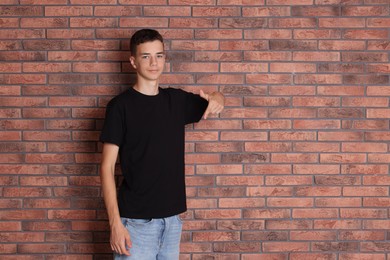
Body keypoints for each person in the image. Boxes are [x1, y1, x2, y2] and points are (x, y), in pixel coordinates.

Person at [99, 28, 225, 259]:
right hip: (135, 225)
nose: (154, 62)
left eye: (159, 55)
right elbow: (106, 168)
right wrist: (115, 225)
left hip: (172, 223)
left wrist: (217, 98)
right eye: (146, 56)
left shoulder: (176, 101)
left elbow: (215, 98)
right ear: (133, 61)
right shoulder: (120, 107)